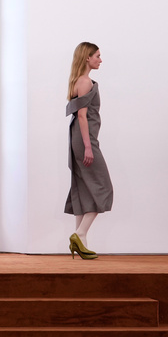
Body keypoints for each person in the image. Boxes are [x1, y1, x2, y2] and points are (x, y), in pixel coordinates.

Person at [65, 42, 112, 259]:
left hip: (80, 137)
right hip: (85, 139)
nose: (100, 60)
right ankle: (80, 233)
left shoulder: (79, 80)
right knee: (103, 187)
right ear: (87, 57)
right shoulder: (85, 82)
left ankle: (81, 243)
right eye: (97, 56)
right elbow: (82, 116)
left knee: (84, 188)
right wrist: (88, 147)